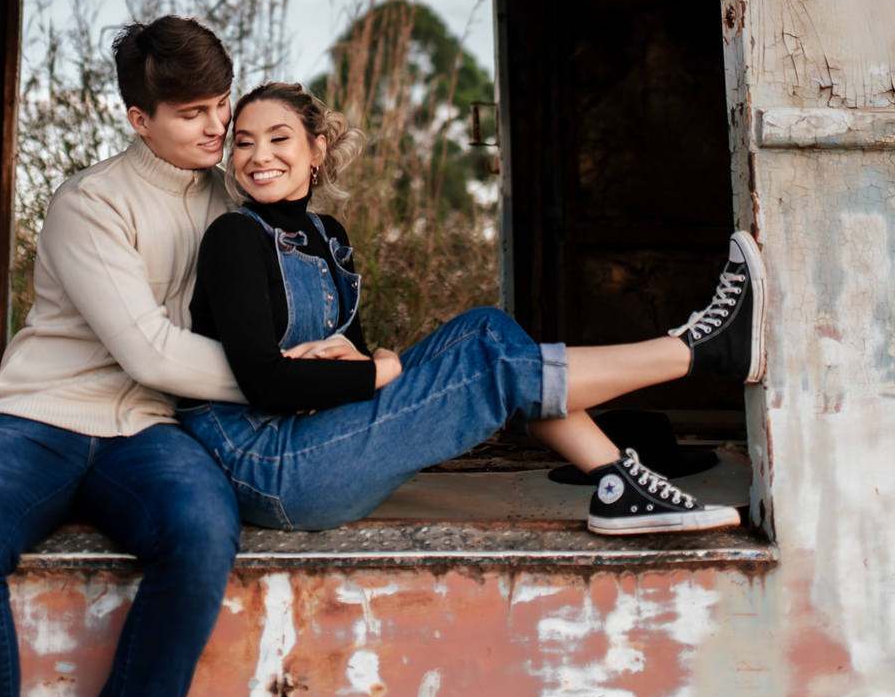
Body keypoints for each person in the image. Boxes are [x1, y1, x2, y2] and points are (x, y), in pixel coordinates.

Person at [179, 81, 767, 537]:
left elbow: (350, 355)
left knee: (486, 328)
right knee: (494, 365)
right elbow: (264, 381)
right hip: (269, 464)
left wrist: (368, 360)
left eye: (278, 138)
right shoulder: (235, 236)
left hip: (315, 433)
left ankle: (617, 485)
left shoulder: (326, 235)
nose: (259, 156)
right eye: (244, 142)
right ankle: (697, 350)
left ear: (316, 149)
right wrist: (376, 370)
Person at [0, 16, 250, 697]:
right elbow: (153, 353)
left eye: (222, 103)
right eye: (192, 111)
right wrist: (283, 380)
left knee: (203, 535)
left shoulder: (235, 196)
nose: (217, 125)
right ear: (140, 118)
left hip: (149, 432)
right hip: (40, 418)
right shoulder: (89, 201)